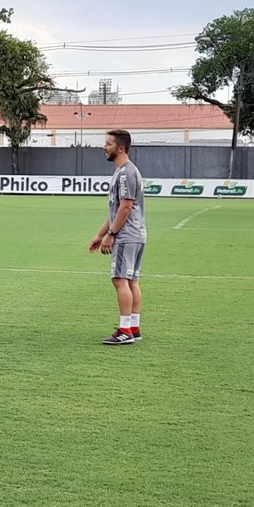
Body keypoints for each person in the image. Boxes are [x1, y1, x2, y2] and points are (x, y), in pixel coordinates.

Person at [88, 129, 147, 345]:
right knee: (130, 280)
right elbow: (115, 209)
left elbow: (125, 207)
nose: (104, 147)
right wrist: (99, 235)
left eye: (108, 144)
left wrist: (111, 235)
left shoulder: (125, 173)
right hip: (135, 234)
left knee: (119, 279)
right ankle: (133, 326)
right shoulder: (125, 172)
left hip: (127, 235)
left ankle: (125, 331)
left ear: (120, 148)